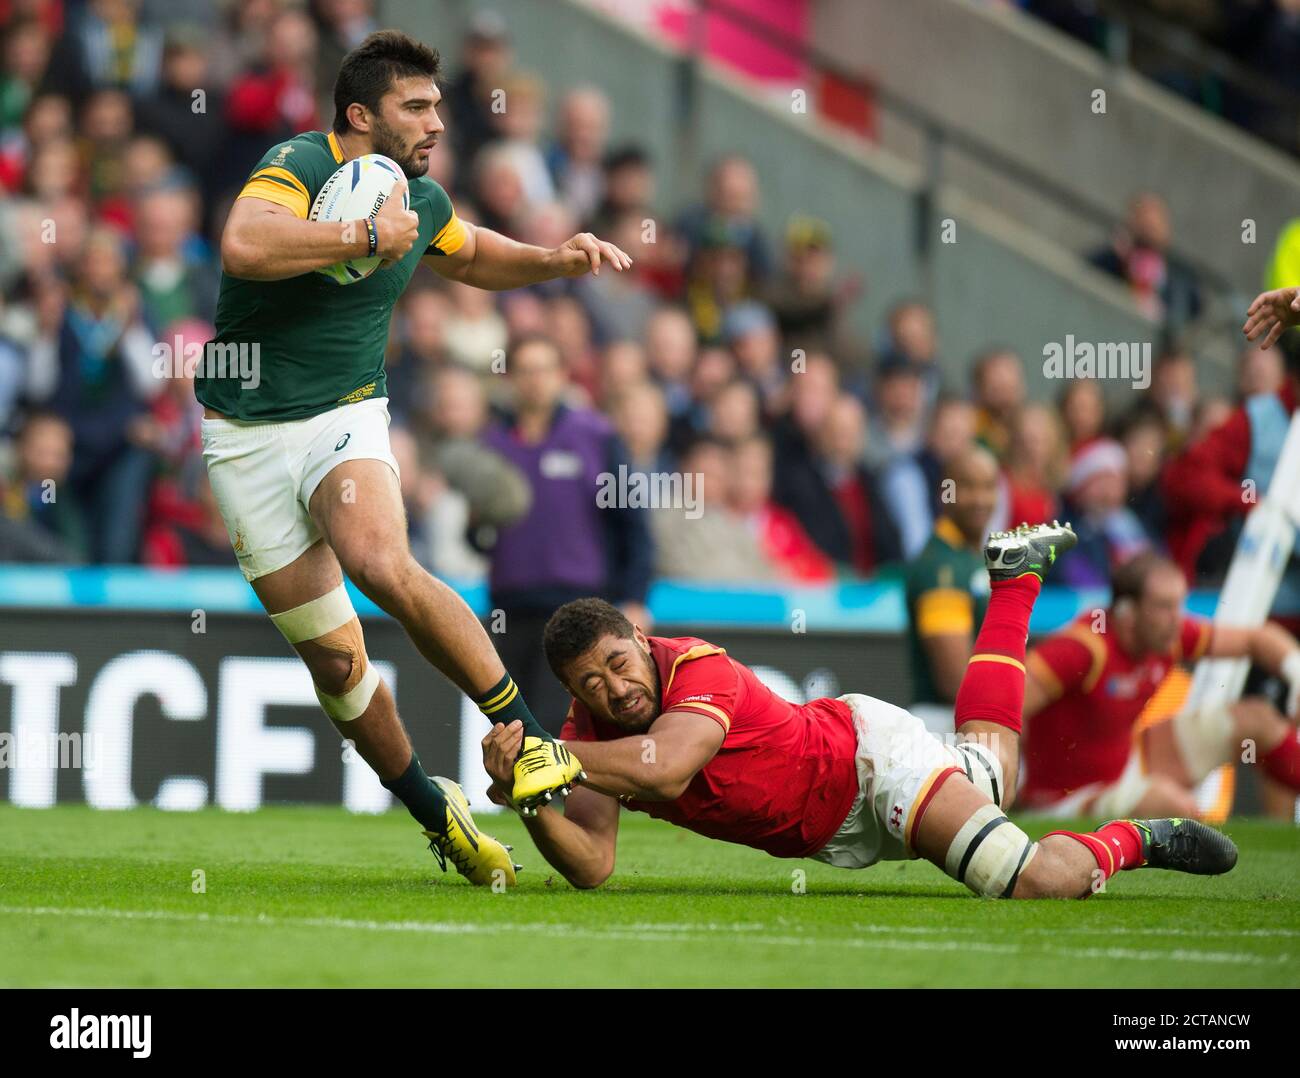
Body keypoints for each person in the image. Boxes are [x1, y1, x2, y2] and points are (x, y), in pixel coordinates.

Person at [196, 30, 624, 885]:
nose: (437, 120)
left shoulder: (418, 198)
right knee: (337, 665)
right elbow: (245, 244)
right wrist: (363, 237)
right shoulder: (298, 163)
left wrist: (552, 260)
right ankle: (438, 812)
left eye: (438, 105)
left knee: (380, 563)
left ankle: (531, 742)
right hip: (242, 434)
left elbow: (469, 254)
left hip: (343, 415)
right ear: (361, 115)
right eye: (416, 107)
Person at [480, 523, 1239, 896]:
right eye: (591, 685)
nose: (614, 690)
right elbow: (593, 866)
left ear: (640, 640)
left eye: (617, 664)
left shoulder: (695, 666)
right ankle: (1015, 582)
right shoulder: (588, 732)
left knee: (1030, 881)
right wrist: (532, 799)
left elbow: (670, 769)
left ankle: (1132, 839)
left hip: (869, 764)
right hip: (838, 830)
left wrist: (559, 759)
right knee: (989, 767)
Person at [1020, 553, 1300, 817]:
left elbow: (1258, 639)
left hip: (1126, 767)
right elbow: (1002, 703)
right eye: (1165, 607)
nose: (1178, 619)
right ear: (1127, 612)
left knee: (1259, 720)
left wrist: (1296, 676)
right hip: (1063, 799)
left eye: (1179, 604)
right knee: (1172, 805)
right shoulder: (1084, 649)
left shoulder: (1166, 636)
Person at [902, 446, 998, 732]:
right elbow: (953, 680)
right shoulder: (940, 568)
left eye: (989, 487)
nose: (980, 499)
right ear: (945, 492)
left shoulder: (970, 558)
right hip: (947, 726)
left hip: (973, 723)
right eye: (968, 486)